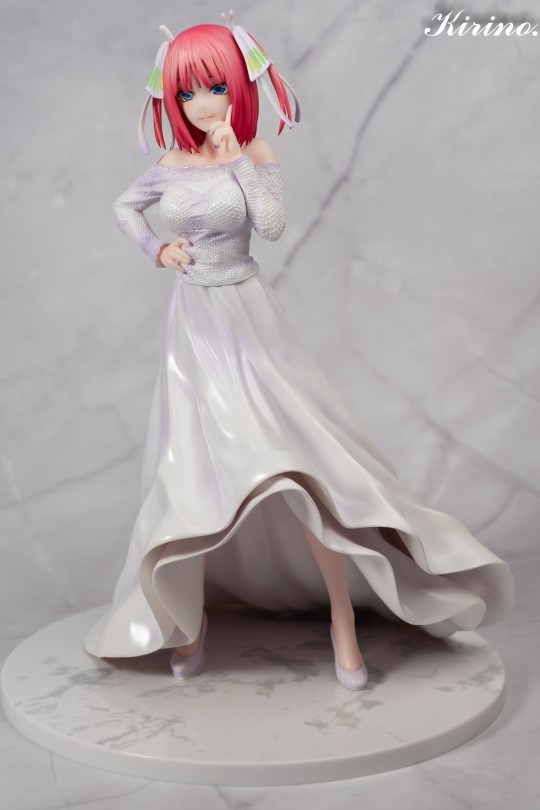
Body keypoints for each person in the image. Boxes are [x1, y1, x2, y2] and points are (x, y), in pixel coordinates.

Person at [84, 12, 514, 691]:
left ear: (238, 87)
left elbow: (274, 226)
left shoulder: (254, 151)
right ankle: (188, 618)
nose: (202, 105)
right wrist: (156, 249)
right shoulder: (169, 164)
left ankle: (343, 616)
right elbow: (123, 208)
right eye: (187, 92)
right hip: (194, 327)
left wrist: (237, 156)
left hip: (248, 317)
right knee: (193, 467)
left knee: (297, 465)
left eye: (214, 88)